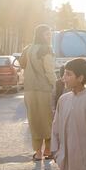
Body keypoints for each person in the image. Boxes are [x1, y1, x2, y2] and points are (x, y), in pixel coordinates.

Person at [21, 25, 57, 161]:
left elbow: (22, 65)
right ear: (40, 35)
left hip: (29, 89)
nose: (49, 37)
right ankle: (48, 150)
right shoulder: (46, 50)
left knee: (34, 120)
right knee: (48, 120)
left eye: (50, 34)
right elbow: (49, 70)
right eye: (46, 34)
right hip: (44, 89)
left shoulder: (27, 49)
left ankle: (38, 153)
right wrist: (56, 84)